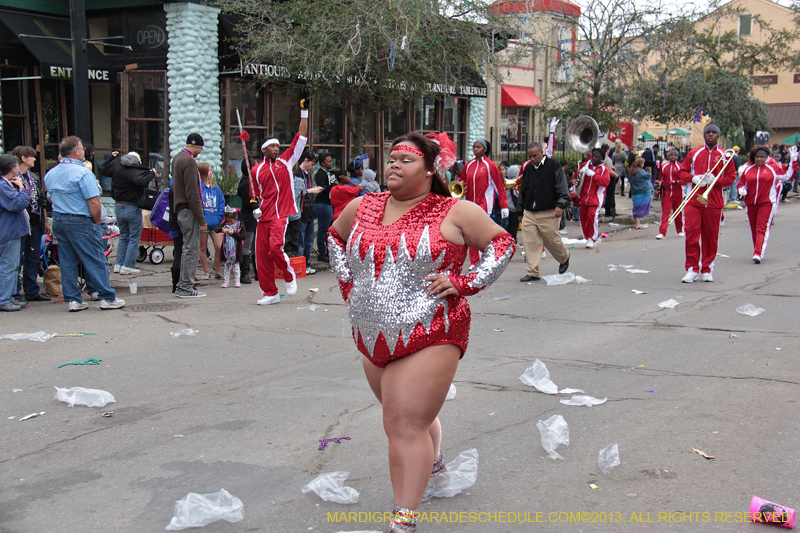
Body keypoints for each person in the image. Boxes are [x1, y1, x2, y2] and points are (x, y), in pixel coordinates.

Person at [328, 132, 515, 532]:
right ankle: (435, 465)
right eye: (390, 158)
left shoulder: (454, 211)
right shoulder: (363, 206)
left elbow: (501, 244)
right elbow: (334, 237)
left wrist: (466, 283)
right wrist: (349, 284)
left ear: (431, 170)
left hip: (433, 330)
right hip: (372, 335)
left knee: (403, 423)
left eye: (405, 160)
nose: (393, 164)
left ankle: (403, 522)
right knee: (405, 412)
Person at [44, 136, 125, 311]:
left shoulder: (51, 173)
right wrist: (97, 222)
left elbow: (50, 197)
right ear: (76, 151)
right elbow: (93, 201)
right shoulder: (83, 173)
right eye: (81, 148)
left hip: (59, 218)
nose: (83, 151)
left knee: (67, 260)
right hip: (80, 220)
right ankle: (107, 297)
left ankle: (74, 299)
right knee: (95, 258)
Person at [252, 99, 308, 305]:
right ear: (264, 150)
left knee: (275, 248)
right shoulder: (255, 171)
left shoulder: (286, 161)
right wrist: (255, 207)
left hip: (281, 213)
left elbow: (301, 136)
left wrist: (304, 111)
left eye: (278, 146)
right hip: (263, 215)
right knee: (261, 255)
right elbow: (255, 195)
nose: (277, 149)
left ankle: (288, 274)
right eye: (272, 146)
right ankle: (270, 293)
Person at [677, 123, 736, 283]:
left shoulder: (725, 155)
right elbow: (682, 173)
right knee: (691, 235)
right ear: (704, 135)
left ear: (718, 135)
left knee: (711, 238)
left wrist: (714, 182)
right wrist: (693, 178)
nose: (711, 135)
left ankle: (707, 268)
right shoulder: (694, 153)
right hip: (693, 200)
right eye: (708, 132)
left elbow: (731, 178)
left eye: (713, 132)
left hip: (714, 202)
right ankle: (692, 268)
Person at [517, 142, 570, 281]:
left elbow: (562, 187)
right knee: (530, 241)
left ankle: (564, 257)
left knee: (551, 240)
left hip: (549, 211)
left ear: (542, 152)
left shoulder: (554, 166)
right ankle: (533, 272)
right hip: (530, 211)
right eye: (530, 156)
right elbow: (523, 191)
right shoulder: (528, 169)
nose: (532, 159)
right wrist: (519, 211)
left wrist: (561, 205)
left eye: (535, 155)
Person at [98, 150, 156, 275]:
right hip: (132, 207)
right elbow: (142, 182)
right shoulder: (135, 171)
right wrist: (152, 174)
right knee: (134, 238)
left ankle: (118, 264)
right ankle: (128, 266)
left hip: (118, 207)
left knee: (123, 237)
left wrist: (110, 159)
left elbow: (103, 169)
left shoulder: (117, 169)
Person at [738, 145, 798, 263]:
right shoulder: (748, 169)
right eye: (757, 157)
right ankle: (758, 249)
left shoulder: (772, 169)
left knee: (761, 228)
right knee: (754, 229)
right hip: (751, 204)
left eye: (762, 157)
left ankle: (758, 253)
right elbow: (741, 184)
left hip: (767, 203)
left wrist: (793, 161)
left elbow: (788, 176)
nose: (759, 159)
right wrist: (741, 190)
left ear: (766, 158)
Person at [11, 146, 50, 302]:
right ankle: (14, 292)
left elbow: (41, 200)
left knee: (33, 258)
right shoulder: (12, 178)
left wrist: (45, 221)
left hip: (34, 222)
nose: (34, 159)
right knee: (15, 260)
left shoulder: (33, 176)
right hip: (20, 224)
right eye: (32, 156)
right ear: (23, 158)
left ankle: (32, 291)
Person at [460, 139, 508, 262]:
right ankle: (474, 262)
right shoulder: (468, 165)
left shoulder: (490, 165)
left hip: (484, 205)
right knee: (471, 235)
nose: (475, 149)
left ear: (485, 149)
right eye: (474, 147)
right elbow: (462, 182)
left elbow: (499, 186)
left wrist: (504, 205)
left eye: (478, 147)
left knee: (480, 234)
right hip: (469, 205)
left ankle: (486, 258)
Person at [172, 133, 207, 298]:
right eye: (200, 148)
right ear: (197, 147)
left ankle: (182, 285)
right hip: (189, 210)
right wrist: (201, 218)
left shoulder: (177, 158)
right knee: (191, 250)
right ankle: (186, 287)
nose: (200, 152)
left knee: (186, 248)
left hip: (180, 210)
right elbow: (193, 193)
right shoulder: (190, 161)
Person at [0, 154, 31, 312]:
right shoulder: (2, 185)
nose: (19, 168)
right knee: (8, 265)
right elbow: (17, 204)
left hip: (14, 230)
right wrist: (22, 189)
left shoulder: (6, 184)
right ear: (11, 168)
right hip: (8, 231)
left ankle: (10, 295)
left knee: (14, 266)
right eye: (17, 165)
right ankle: (3, 298)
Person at [295, 151, 323, 275]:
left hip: (309, 209)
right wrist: (311, 190)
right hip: (301, 211)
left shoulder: (307, 173)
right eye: (312, 164)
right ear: (305, 160)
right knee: (301, 240)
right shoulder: (297, 173)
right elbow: (296, 192)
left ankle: (305, 264)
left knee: (309, 240)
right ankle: (300, 266)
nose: (313, 167)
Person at [576, 148, 610, 248]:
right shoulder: (586, 165)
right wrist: (580, 172)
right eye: (593, 156)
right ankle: (587, 237)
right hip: (584, 197)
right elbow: (576, 177)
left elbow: (605, 182)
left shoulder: (604, 169)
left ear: (601, 159)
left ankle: (592, 238)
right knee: (583, 218)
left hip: (595, 198)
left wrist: (594, 175)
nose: (594, 158)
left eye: (596, 157)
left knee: (592, 217)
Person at [197, 162, 225, 280]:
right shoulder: (198, 188)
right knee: (203, 247)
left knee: (219, 246)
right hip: (204, 223)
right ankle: (206, 271)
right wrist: (201, 219)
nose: (211, 173)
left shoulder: (215, 187)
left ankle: (218, 271)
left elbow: (221, 202)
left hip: (215, 222)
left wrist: (219, 217)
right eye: (209, 170)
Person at [236, 158, 258, 284]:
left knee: (256, 244)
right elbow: (249, 200)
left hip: (255, 217)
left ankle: (257, 271)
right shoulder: (246, 183)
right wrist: (257, 206)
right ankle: (244, 272)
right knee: (247, 243)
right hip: (249, 217)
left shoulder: (253, 182)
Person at [655, 148, 685, 239]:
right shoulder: (664, 166)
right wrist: (659, 184)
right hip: (667, 192)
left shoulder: (681, 166)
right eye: (671, 155)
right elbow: (661, 177)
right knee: (665, 212)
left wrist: (677, 182)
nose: (673, 157)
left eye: (675, 155)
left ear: (677, 156)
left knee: (678, 212)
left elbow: (685, 180)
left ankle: (680, 230)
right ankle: (662, 232)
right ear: (668, 156)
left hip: (677, 192)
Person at [214, 206, 246, 287]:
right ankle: (226, 281)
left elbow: (243, 236)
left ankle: (237, 281)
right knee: (226, 267)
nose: (229, 223)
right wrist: (222, 229)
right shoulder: (225, 224)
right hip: (226, 249)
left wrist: (233, 234)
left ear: (236, 217)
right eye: (228, 221)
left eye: (231, 221)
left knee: (236, 267)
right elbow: (216, 229)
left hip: (236, 250)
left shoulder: (240, 225)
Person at [313, 153, 336, 263]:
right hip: (323, 203)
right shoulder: (320, 174)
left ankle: (329, 251)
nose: (331, 163)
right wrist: (334, 186)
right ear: (322, 163)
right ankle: (322, 252)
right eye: (329, 161)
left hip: (330, 203)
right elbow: (322, 187)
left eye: (331, 161)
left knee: (330, 229)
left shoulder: (330, 173)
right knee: (323, 229)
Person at [628, 158, 654, 229]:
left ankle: (637, 224)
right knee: (640, 208)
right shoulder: (640, 171)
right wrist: (649, 171)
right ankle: (638, 225)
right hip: (642, 191)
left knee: (636, 208)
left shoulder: (632, 171)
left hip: (635, 192)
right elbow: (649, 176)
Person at [505, 165, 522, 243]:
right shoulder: (514, 183)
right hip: (513, 209)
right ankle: (513, 241)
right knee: (513, 227)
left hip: (509, 208)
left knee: (510, 227)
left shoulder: (509, 182)